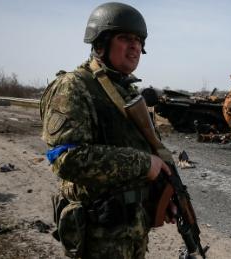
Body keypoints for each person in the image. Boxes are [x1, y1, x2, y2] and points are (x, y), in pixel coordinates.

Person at [40, 2, 173, 258]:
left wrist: (161, 196)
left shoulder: (127, 91)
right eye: (125, 38)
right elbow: (66, 160)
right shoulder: (74, 87)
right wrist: (144, 163)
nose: (135, 46)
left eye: (138, 40)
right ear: (100, 43)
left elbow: (142, 148)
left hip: (133, 229)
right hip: (98, 235)